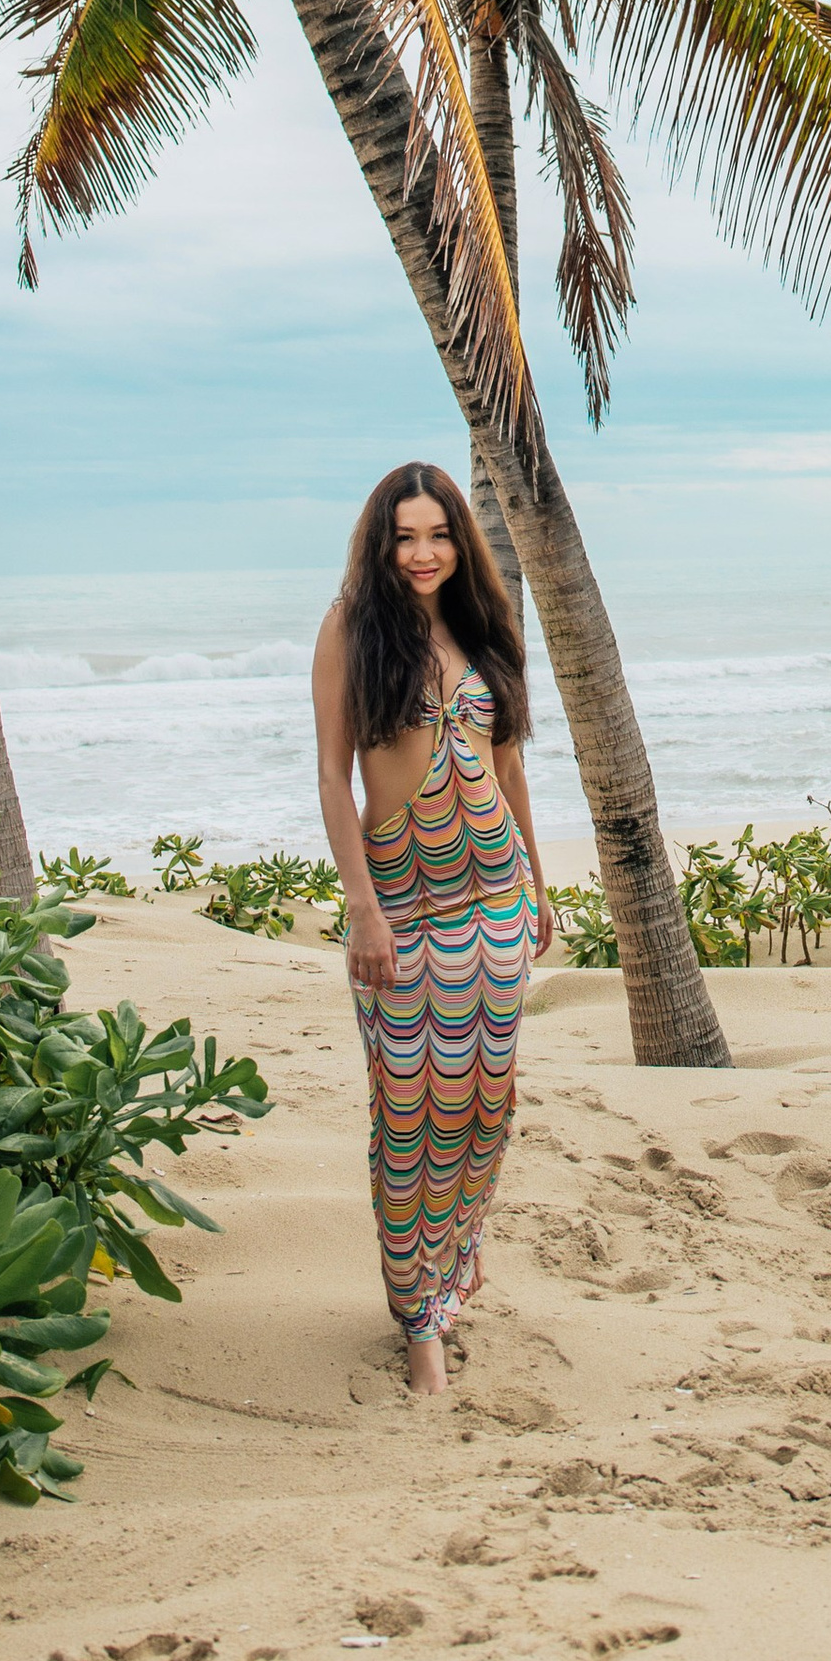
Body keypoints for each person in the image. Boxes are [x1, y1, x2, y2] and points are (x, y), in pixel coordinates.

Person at [313, 461, 556, 1393]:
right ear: (380, 544)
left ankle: (455, 1254)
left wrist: (539, 885)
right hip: (405, 913)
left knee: (484, 1106)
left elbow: (511, 768)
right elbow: (334, 778)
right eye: (405, 537)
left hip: (495, 898)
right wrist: (362, 910)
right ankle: (419, 1318)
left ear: (462, 541)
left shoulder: (483, 625)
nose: (423, 553)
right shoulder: (350, 629)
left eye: (439, 535)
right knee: (410, 1117)